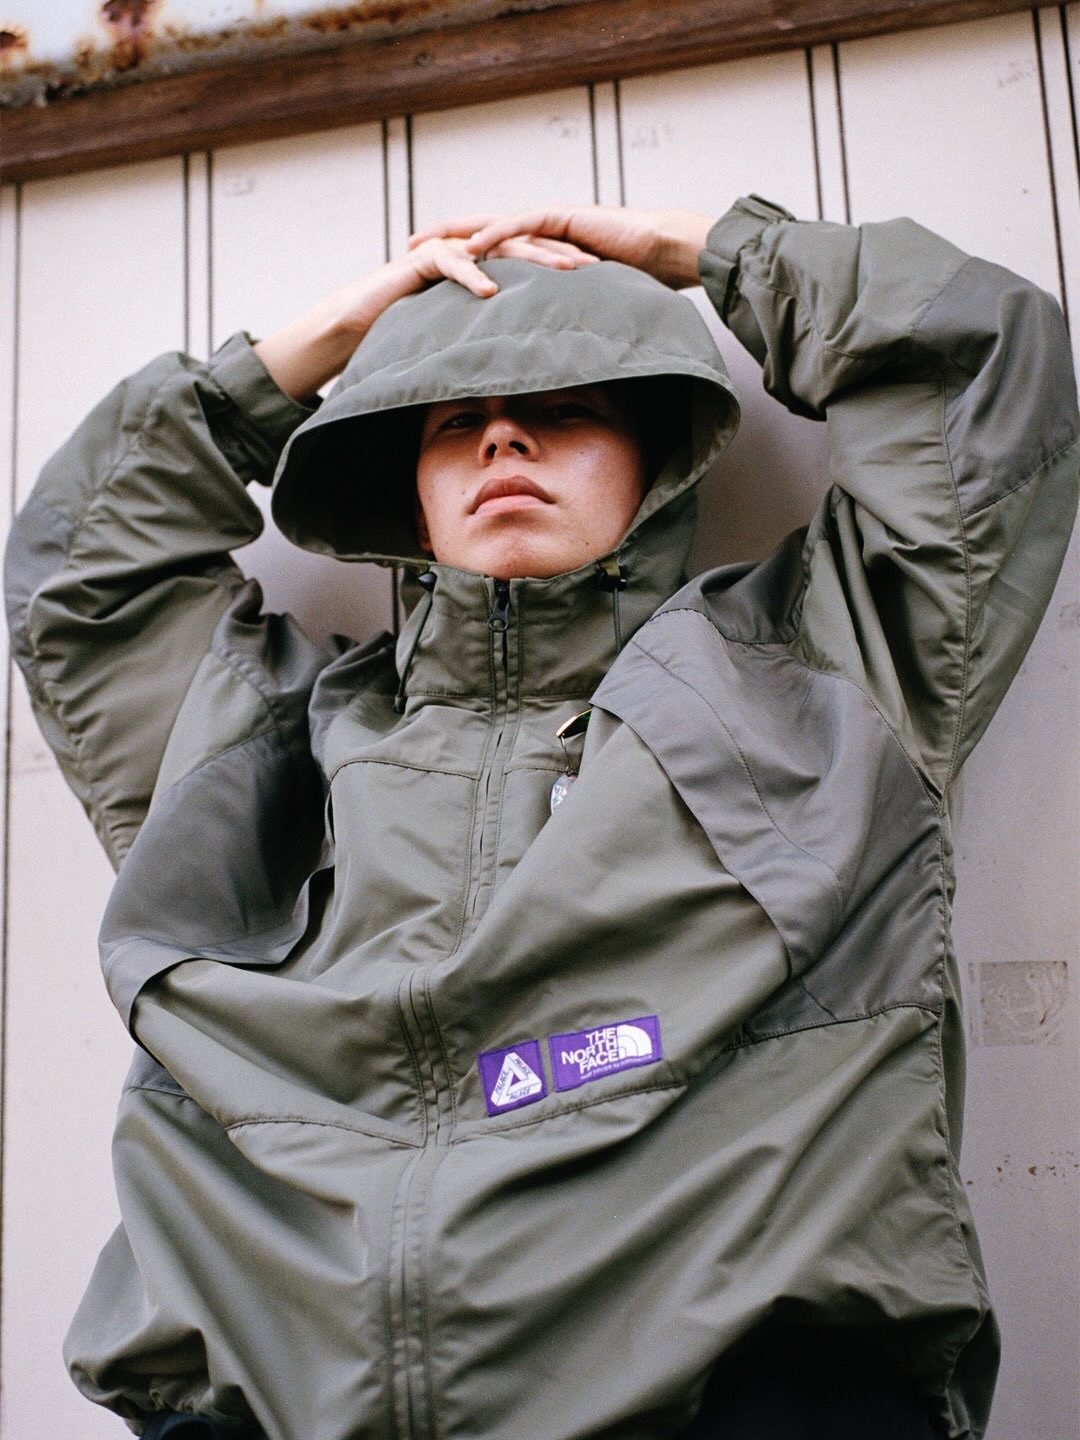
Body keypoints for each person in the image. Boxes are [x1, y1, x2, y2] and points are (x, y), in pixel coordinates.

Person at [5, 196, 1077, 1440]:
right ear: (404, 490)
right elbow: (80, 573)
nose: (504, 437)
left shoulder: (819, 679)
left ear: (656, 455)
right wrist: (348, 332)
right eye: (453, 422)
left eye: (565, 408)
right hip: (272, 1400)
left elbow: (982, 367)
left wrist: (702, 254)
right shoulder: (266, 750)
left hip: (730, 1397)